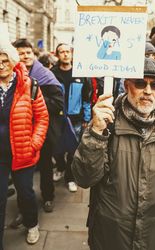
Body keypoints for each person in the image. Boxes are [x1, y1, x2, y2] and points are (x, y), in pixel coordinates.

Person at [71, 57, 155, 250]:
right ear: (127, 85)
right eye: (141, 83)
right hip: (112, 229)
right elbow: (84, 177)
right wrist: (96, 133)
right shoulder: (108, 123)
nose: (148, 91)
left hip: (151, 228)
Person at [0, 41, 49, 248]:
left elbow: (42, 118)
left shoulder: (29, 85)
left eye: (5, 61)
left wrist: (34, 143)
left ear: (13, 61)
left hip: (22, 151)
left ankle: (32, 224)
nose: (1, 65)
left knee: (25, 193)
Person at [12, 38, 64, 213]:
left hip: (43, 130)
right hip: (19, 131)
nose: (26, 56)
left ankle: (48, 197)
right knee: (21, 171)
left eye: (28, 52)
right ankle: (24, 207)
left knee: (45, 165)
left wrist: (32, 102)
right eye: (21, 53)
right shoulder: (10, 75)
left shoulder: (45, 75)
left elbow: (58, 103)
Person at [51, 43, 93, 192]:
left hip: (76, 118)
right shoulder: (52, 73)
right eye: (61, 52)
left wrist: (86, 119)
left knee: (73, 150)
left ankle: (70, 177)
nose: (65, 54)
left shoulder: (80, 73)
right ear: (57, 55)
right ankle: (60, 167)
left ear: (72, 54)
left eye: (67, 51)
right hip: (57, 118)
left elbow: (87, 98)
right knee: (56, 148)